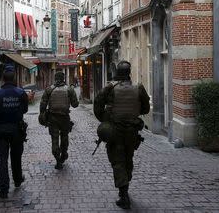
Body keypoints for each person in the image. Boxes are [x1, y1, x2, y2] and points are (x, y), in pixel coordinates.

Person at [93, 60, 150, 209]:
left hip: (115, 131)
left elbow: (97, 103)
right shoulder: (138, 88)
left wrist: (104, 119)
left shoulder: (110, 88)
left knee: (117, 161)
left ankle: (123, 194)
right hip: (132, 131)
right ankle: (125, 186)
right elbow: (145, 109)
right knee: (128, 158)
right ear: (129, 73)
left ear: (118, 73)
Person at [0, 65, 29, 199]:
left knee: (2, 160)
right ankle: (17, 180)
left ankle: (3, 190)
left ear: (3, 78)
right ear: (14, 77)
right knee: (16, 157)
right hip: (17, 130)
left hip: (1, 131)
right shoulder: (21, 92)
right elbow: (25, 110)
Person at [39, 70, 79, 169]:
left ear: (55, 78)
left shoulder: (49, 90)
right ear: (63, 78)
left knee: (54, 140)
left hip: (53, 119)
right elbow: (75, 105)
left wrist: (42, 116)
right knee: (64, 138)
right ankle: (63, 154)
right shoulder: (69, 89)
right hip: (65, 118)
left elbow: (43, 105)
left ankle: (58, 160)